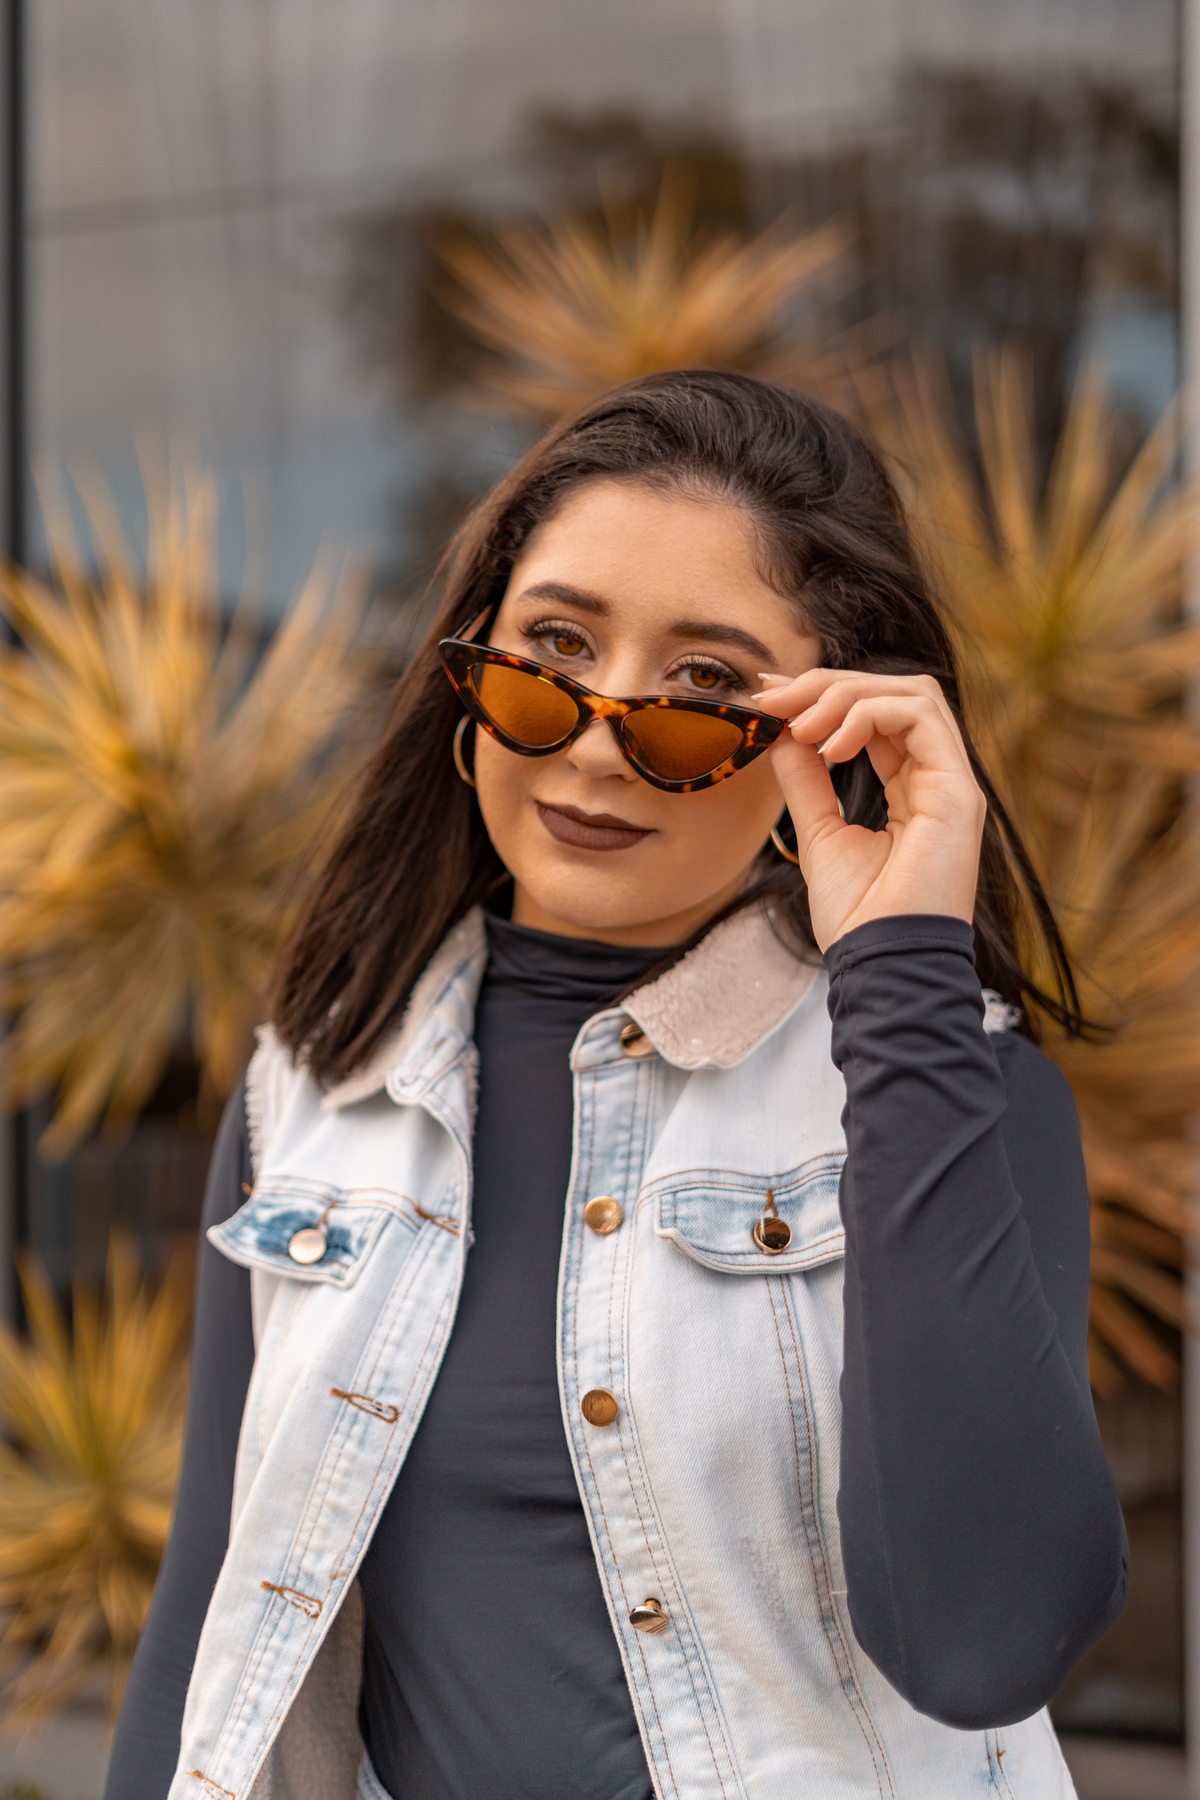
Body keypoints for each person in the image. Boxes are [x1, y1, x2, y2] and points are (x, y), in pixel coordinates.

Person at [106, 371, 1126, 1800]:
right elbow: (214, 1621)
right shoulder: (317, 1088)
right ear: (470, 673)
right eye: (552, 651)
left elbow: (983, 1642)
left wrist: (900, 968)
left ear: (824, 734)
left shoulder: (952, 1083)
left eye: (706, 692)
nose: (594, 736)